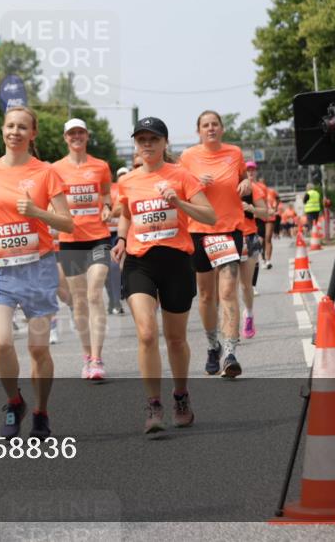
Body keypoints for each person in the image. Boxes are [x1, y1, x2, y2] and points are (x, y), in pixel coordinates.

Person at [0, 105, 73, 440]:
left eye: (22, 127)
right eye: (10, 126)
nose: (15, 132)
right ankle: (14, 402)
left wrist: (38, 211)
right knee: (0, 343)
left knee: (39, 350)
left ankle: (41, 412)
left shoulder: (45, 172)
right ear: (2, 130)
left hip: (37, 269)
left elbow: (67, 222)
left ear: (33, 134)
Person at [110, 117, 216, 433]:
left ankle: (180, 395)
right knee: (145, 333)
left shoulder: (181, 176)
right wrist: (120, 239)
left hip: (176, 261)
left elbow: (209, 216)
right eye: (141, 139)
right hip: (139, 262)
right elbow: (126, 216)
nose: (147, 144)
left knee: (175, 338)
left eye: (153, 139)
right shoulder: (127, 181)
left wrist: (178, 201)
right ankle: (154, 404)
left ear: (164, 143)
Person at [179, 110, 253, 379]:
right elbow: (178, 190)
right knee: (207, 296)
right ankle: (213, 345)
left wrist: (246, 181)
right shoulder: (188, 157)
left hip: (228, 229)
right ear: (198, 130)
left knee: (228, 291)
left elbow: (244, 176)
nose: (210, 129)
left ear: (222, 129)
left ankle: (231, 353)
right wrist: (196, 183)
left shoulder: (234, 153)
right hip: (199, 231)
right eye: (205, 125)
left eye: (215, 125)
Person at [52, 118, 114, 380]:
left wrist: (108, 208)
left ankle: (98, 359)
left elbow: (107, 196)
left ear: (87, 136)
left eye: (80, 132)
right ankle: (87, 355)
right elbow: (50, 201)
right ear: (65, 138)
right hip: (70, 240)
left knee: (94, 292)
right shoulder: (55, 169)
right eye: (71, 133)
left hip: (98, 237)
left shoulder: (100, 166)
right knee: (79, 301)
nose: (76, 137)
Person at [237, 161, 269, 339]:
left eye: (251, 170)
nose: (249, 172)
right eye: (246, 170)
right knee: (227, 288)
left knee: (245, 285)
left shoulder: (255, 189)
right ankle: (231, 328)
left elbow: (266, 214)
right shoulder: (226, 187)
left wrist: (251, 208)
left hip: (248, 237)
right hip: (228, 238)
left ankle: (248, 314)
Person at [104, 166, 129, 316]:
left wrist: (111, 211)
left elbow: (122, 210)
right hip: (106, 233)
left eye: (125, 174)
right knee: (109, 269)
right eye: (120, 175)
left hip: (120, 234)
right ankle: (114, 300)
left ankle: (121, 289)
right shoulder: (110, 190)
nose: (123, 177)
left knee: (119, 266)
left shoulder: (127, 189)